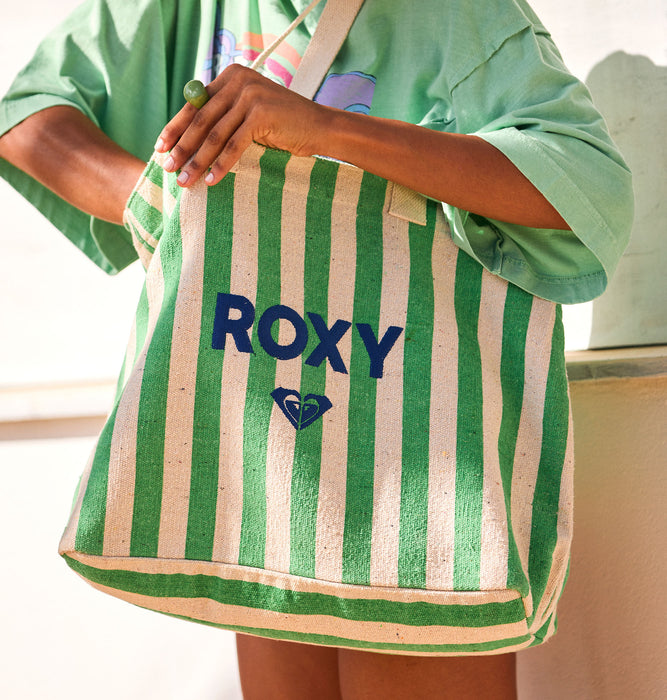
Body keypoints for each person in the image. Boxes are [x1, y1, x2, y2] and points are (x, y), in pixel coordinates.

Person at [0, 1, 633, 698]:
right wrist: (175, 207)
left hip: (413, 473)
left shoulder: (455, 13)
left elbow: (590, 193)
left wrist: (329, 131)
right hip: (265, 468)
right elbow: (27, 115)